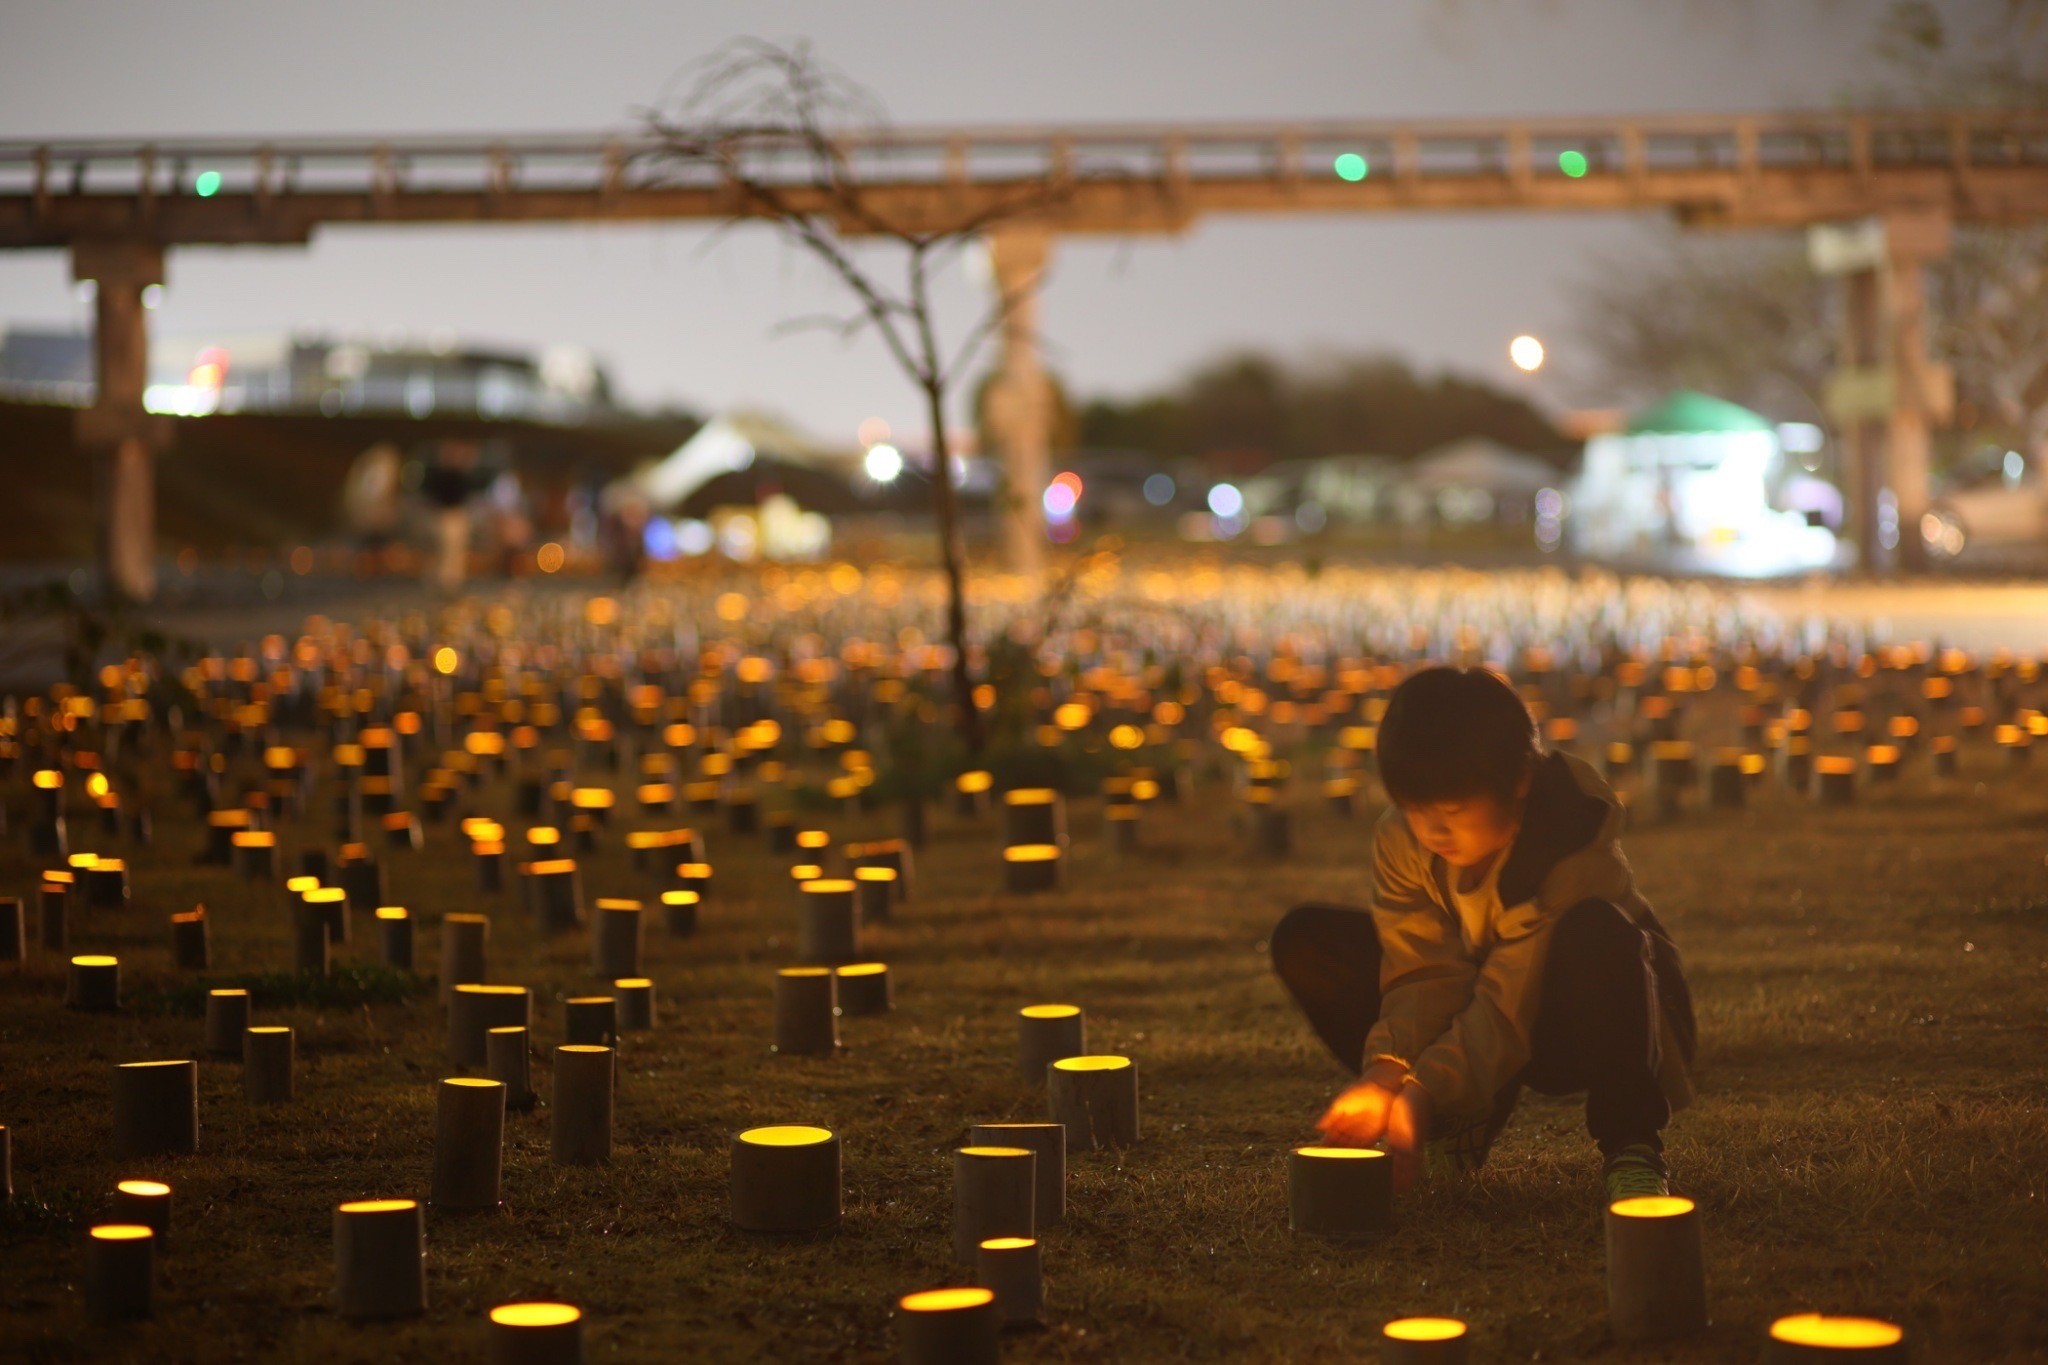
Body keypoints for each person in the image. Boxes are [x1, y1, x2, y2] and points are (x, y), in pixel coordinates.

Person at [1270, 665, 1695, 1204]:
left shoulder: (1568, 843)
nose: (1433, 831)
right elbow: (1423, 970)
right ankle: (1458, 1127)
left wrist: (1424, 1092)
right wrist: (1386, 1072)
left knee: (1596, 932)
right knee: (1308, 940)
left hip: (1593, 1018)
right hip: (1486, 1002)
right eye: (1416, 809)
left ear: (1519, 780)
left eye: (1451, 810)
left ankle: (1632, 1147)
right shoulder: (1405, 838)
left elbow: (1507, 1001)